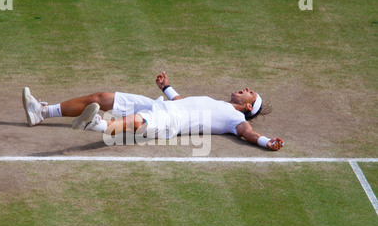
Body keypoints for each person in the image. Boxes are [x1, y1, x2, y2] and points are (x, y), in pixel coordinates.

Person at [22, 71, 284, 151]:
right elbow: (183, 100)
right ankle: (42, 112)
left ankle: (99, 126)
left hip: (171, 121)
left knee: (137, 121)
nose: (246, 88)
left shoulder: (236, 118)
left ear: (249, 106)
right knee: (102, 97)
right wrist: (167, 87)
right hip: (164, 105)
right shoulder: (218, 104)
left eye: (250, 92)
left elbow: (247, 132)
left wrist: (266, 141)